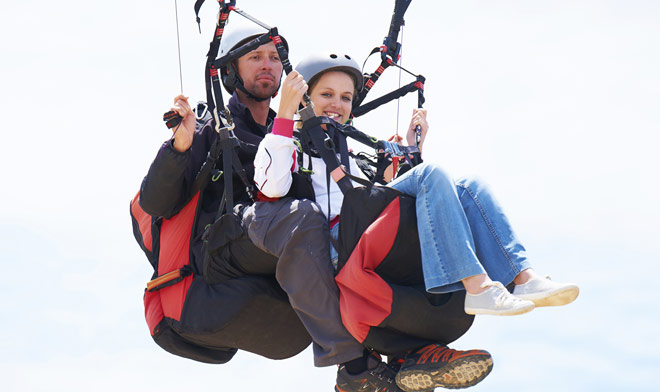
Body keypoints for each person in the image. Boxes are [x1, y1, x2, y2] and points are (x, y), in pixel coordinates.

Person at [254, 52, 580, 391]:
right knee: (432, 174)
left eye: (345, 97)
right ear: (305, 98)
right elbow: (271, 186)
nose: (337, 104)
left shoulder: (351, 152)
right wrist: (286, 113)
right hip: (343, 248)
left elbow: (383, 196)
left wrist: (411, 150)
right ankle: (478, 287)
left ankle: (522, 277)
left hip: (373, 234)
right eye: (327, 95)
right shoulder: (286, 143)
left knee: (470, 186)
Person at [139, 26, 411, 392]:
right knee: (301, 215)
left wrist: (384, 177)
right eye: (255, 58)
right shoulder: (210, 128)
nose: (267, 66)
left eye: (272, 58)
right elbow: (155, 201)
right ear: (232, 71)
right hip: (220, 253)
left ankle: (407, 353)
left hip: (272, 254)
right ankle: (352, 363)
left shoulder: (296, 133)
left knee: (364, 226)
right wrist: (180, 146)